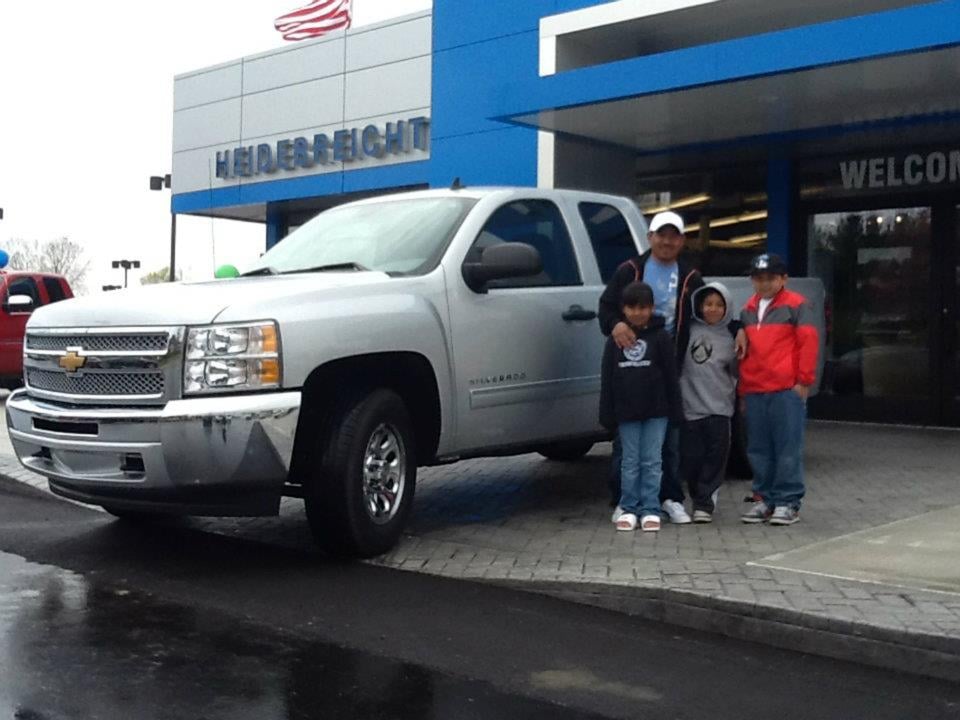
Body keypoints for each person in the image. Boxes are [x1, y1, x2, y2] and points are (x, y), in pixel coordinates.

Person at [599, 211, 745, 524]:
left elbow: (711, 314)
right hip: (632, 369)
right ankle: (624, 502)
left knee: (669, 444)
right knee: (627, 447)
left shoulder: (691, 277)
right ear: (650, 237)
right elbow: (606, 308)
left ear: (682, 241)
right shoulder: (629, 270)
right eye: (661, 235)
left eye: (673, 236)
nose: (667, 241)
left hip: (671, 369)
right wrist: (615, 324)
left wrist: (738, 328)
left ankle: (669, 498)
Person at [738, 254, 819, 526]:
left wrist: (803, 380)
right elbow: (744, 349)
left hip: (785, 388)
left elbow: (808, 342)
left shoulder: (797, 305)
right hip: (755, 388)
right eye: (758, 278)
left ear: (784, 279)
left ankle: (787, 501)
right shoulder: (747, 309)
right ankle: (764, 498)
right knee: (758, 448)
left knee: (787, 447)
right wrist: (744, 388)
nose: (764, 284)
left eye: (770, 278)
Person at [599, 281, 681, 532]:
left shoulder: (661, 338)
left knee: (652, 461)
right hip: (627, 412)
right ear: (623, 309)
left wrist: (675, 409)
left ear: (652, 308)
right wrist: (607, 412)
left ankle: (650, 508)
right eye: (632, 307)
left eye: (643, 307)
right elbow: (607, 378)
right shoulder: (615, 340)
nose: (637, 312)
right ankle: (628, 507)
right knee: (630, 461)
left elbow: (671, 376)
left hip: (657, 411)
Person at [678, 282, 738, 523]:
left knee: (716, 457)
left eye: (719, 305)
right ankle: (697, 494)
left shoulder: (732, 336)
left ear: (727, 307)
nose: (713, 309)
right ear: (699, 306)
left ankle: (704, 502)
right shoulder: (688, 330)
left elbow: (737, 370)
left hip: (720, 409)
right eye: (708, 304)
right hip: (691, 407)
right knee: (692, 459)